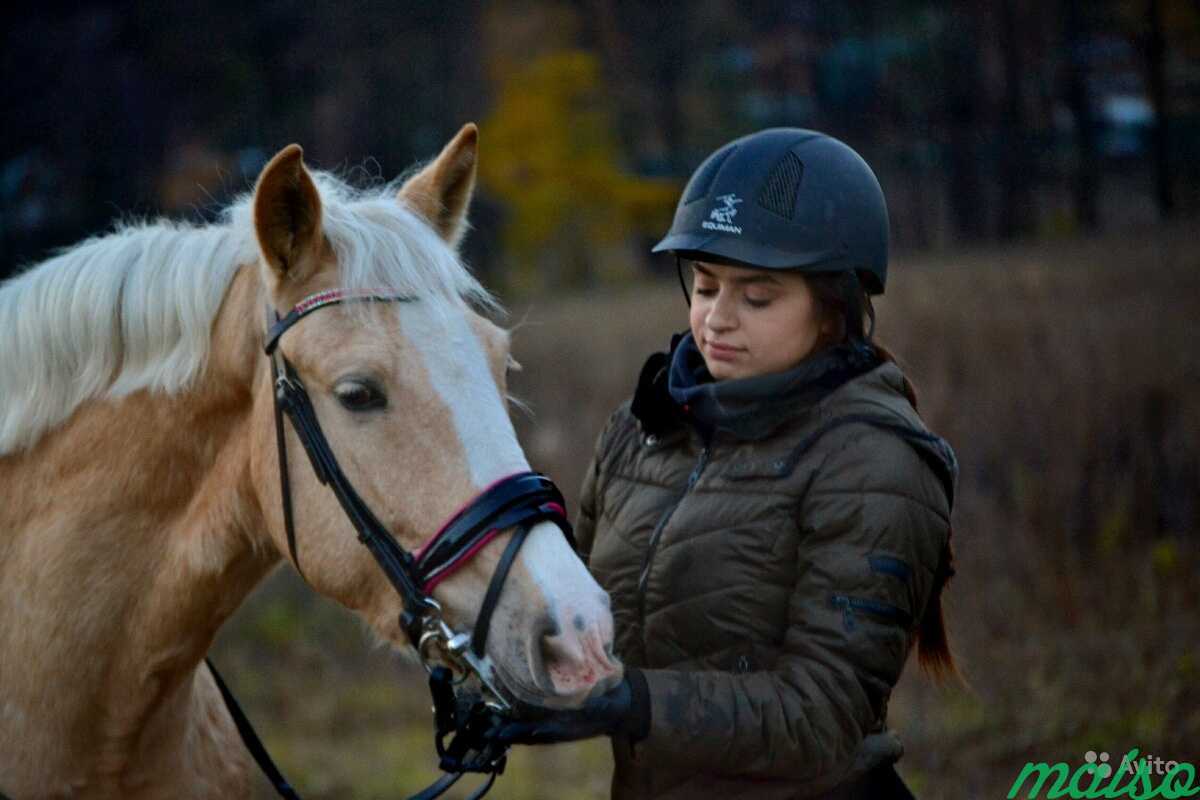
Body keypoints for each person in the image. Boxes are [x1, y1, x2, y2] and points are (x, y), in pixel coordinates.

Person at [486, 128, 959, 799]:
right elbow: (578, 623)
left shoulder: (876, 459)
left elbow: (822, 715)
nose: (716, 320)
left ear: (834, 311)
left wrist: (635, 704)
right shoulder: (642, 427)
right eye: (706, 287)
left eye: (756, 297)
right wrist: (503, 676)